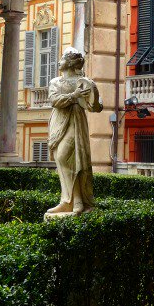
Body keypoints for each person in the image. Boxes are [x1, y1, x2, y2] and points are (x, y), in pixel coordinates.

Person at [46, 47, 103, 216]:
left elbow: (96, 106)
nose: (59, 61)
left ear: (70, 62)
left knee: (69, 158)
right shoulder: (55, 82)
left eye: (62, 58)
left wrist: (93, 100)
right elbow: (54, 100)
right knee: (61, 159)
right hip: (59, 121)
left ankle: (75, 201)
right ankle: (70, 201)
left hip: (76, 121)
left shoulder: (84, 81)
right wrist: (74, 95)